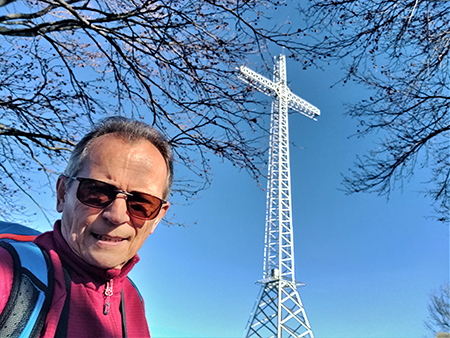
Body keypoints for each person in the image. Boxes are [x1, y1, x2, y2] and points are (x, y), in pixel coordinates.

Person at [0, 116, 173, 337]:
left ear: (157, 217)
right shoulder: (9, 271)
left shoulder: (133, 300)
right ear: (62, 194)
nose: (117, 216)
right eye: (97, 191)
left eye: (141, 204)